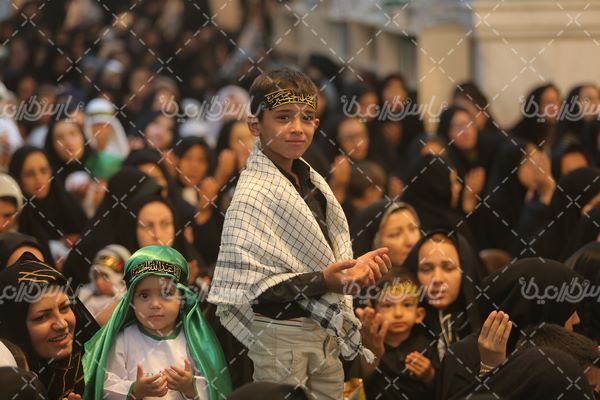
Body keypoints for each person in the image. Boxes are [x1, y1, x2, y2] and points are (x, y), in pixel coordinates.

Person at [208, 68, 391, 400]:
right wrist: (326, 280)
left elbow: (320, 255)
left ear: (316, 124)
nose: (297, 127)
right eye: (283, 117)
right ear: (255, 125)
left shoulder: (311, 181)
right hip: (280, 335)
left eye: (306, 117)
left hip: (324, 330)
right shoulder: (250, 195)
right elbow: (253, 287)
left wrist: (350, 268)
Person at [83, 245, 232, 399]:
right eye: (144, 295)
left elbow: (215, 390)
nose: (155, 304)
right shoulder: (122, 340)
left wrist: (190, 387)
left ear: (182, 299)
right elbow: (105, 387)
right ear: (131, 302)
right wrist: (135, 390)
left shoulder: (195, 341)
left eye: (166, 293)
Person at [0, 253, 99, 399]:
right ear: (16, 328)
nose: (62, 324)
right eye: (41, 317)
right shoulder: (7, 386)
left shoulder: (100, 370)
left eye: (64, 308)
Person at [354, 275, 436, 400]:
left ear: (419, 315)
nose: (398, 314)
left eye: (407, 305)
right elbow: (355, 383)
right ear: (374, 313)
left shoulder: (427, 346)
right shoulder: (367, 345)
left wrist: (429, 375)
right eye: (387, 305)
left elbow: (442, 390)